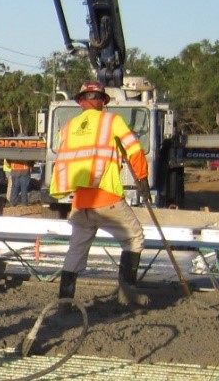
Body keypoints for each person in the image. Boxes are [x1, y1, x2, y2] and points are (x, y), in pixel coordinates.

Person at [49, 80, 150, 305]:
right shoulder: (112, 120)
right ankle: (127, 294)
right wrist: (142, 179)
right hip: (106, 198)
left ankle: (64, 304)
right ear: (103, 102)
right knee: (134, 238)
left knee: (75, 252)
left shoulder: (67, 128)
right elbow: (134, 150)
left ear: (81, 101)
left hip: (80, 202)